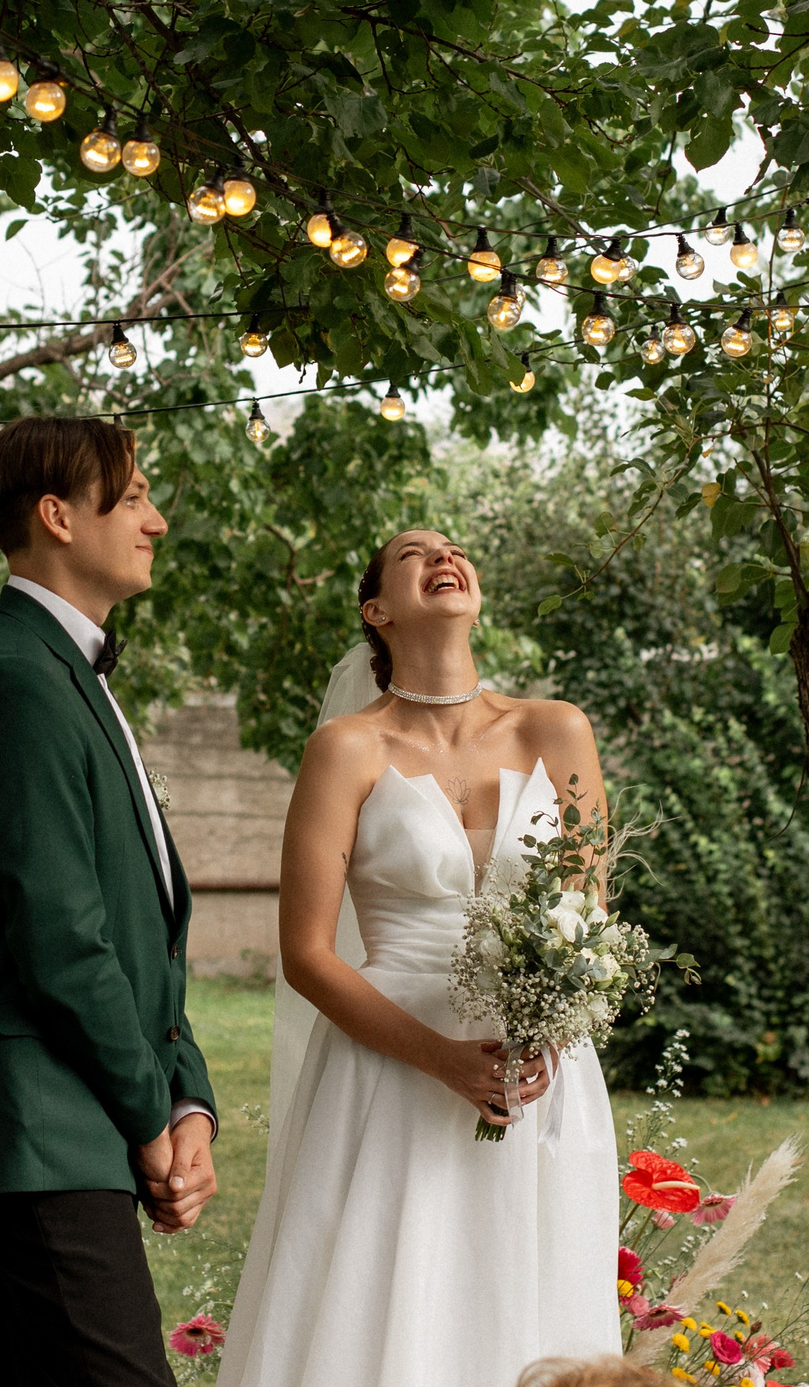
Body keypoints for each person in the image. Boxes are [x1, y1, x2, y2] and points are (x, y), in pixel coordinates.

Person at [217, 529, 621, 1387]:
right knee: (385, 1304)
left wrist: (551, 1026)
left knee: (529, 1288)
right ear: (378, 611)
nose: (444, 556)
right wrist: (441, 1059)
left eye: (455, 548)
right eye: (413, 554)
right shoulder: (347, 751)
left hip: (540, 1076)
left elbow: (590, 914)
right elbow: (307, 955)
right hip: (390, 1070)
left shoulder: (557, 730)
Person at [0, 416, 218, 1387]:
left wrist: (190, 1097)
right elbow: (62, 940)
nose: (156, 520)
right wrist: (151, 1117)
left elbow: (140, 930)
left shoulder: (60, 670)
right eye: (132, 497)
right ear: (57, 515)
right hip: (40, 1120)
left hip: (71, 1118)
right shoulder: (12, 678)